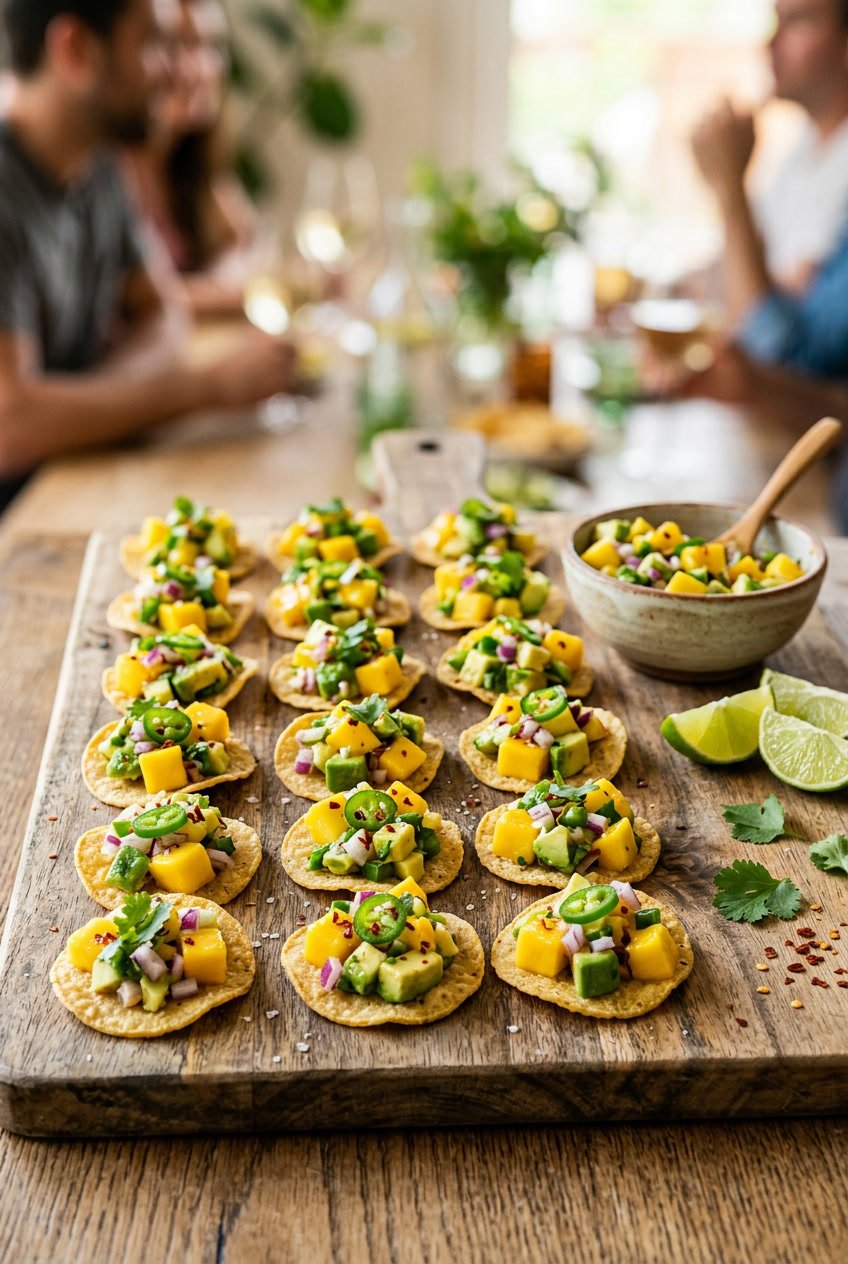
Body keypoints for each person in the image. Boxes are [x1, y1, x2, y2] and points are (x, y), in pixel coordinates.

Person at [0, 0, 295, 505]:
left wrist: (82, 407)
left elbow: (165, 311)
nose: (175, 69)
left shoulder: (97, 168)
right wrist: (206, 389)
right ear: (75, 50)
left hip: (74, 486)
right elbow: (10, 424)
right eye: (155, 44)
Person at [121, 0, 257, 318]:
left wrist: (221, 285)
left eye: (210, 46)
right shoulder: (105, 172)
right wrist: (240, 291)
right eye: (174, 45)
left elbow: (250, 245)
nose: (200, 67)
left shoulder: (189, 159)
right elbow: (133, 302)